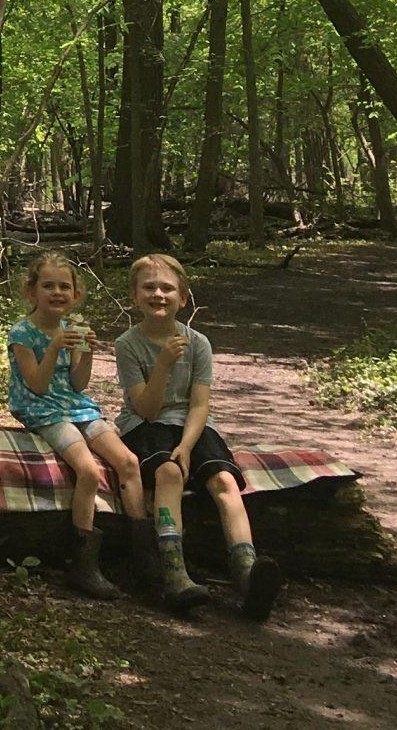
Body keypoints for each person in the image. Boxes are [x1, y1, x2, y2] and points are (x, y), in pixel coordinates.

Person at [113, 252, 286, 620]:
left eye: (167, 288)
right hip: (144, 427)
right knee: (168, 473)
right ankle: (175, 573)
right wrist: (162, 365)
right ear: (134, 297)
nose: (158, 294)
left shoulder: (199, 343)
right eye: (149, 287)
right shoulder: (127, 344)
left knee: (225, 480)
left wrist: (187, 446)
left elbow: (199, 405)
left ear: (183, 297)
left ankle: (246, 572)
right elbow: (145, 408)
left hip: (190, 426)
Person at [8, 250, 146, 599]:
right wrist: (54, 346)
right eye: (48, 285)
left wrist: (87, 354)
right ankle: (83, 563)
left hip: (75, 405)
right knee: (87, 469)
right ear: (32, 292)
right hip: (43, 410)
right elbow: (37, 385)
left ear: (76, 294)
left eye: (64, 287)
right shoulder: (22, 334)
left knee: (129, 462)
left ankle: (145, 556)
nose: (57, 293)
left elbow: (79, 384)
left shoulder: (73, 328)